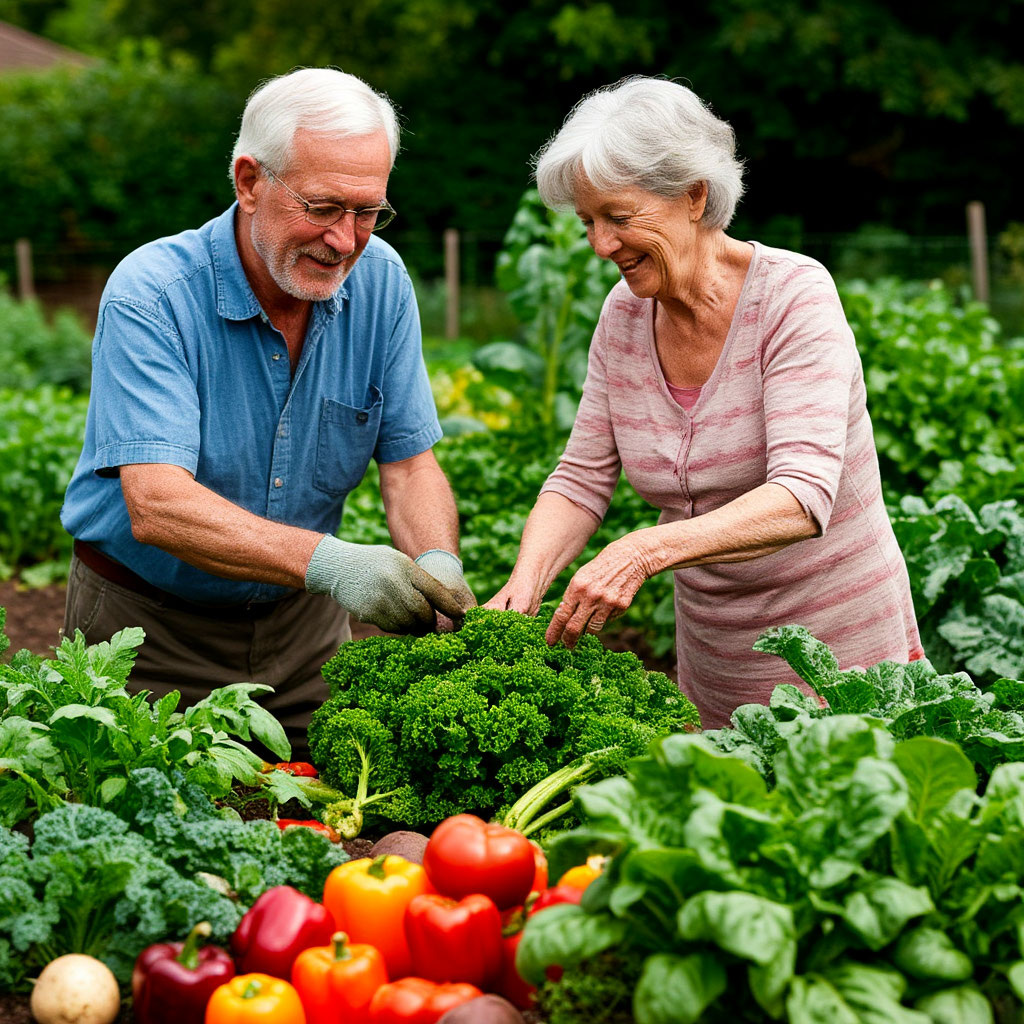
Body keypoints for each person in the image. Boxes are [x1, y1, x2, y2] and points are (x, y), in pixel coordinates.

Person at [487, 76, 923, 729]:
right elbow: (581, 478)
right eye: (587, 223)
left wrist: (642, 550)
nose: (600, 245)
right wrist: (523, 587)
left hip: (840, 657)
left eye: (618, 218)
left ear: (694, 196)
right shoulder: (623, 316)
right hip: (716, 661)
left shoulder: (792, 297)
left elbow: (801, 497)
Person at [61, 68, 474, 753]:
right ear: (249, 181)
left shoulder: (381, 284)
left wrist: (437, 560)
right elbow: (157, 503)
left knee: (352, 796)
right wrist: (333, 563)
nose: (345, 240)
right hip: (147, 634)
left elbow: (409, 466)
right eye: (323, 207)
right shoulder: (154, 295)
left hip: (303, 635)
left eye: (367, 212)